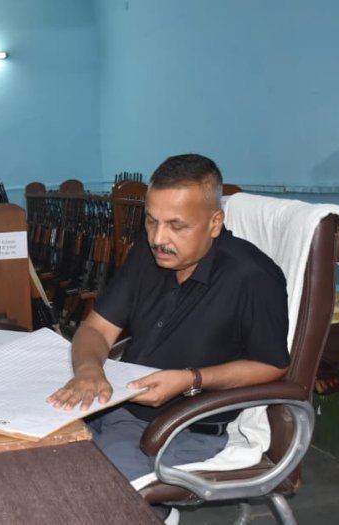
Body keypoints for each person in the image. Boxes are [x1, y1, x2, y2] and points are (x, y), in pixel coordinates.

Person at [47, 154, 290, 510]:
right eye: (151, 221)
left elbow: (273, 366)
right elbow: (96, 328)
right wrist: (88, 371)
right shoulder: (147, 255)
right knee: (33, 460)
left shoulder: (250, 277)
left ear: (214, 223)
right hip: (115, 405)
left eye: (177, 226)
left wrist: (190, 379)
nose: (159, 239)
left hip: (181, 428)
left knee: (87, 498)